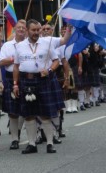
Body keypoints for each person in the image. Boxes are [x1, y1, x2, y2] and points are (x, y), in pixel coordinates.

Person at [10, 19, 68, 154]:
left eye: (38, 30)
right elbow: (16, 66)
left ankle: (49, 143)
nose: (36, 33)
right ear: (27, 30)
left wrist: (50, 71)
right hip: (26, 81)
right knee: (28, 115)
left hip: (43, 80)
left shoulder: (47, 43)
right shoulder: (19, 46)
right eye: (33, 30)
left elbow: (56, 61)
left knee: (45, 113)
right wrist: (15, 84)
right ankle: (31, 144)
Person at [0, 20, 27, 149]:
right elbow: (1, 62)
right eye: (18, 27)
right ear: (14, 29)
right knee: (13, 112)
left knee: (27, 110)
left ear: (27, 30)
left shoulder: (31, 44)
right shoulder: (7, 45)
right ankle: (15, 139)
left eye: (23, 28)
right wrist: (14, 59)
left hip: (27, 78)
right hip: (10, 78)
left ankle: (23, 132)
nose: (21, 29)